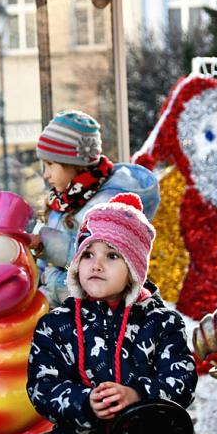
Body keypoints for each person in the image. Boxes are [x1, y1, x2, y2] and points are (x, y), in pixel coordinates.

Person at [27, 193, 197, 434]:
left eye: (112, 255)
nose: (96, 264)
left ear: (134, 268)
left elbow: (182, 381)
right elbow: (42, 387)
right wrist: (86, 402)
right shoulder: (55, 325)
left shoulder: (163, 323)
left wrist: (138, 395)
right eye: (88, 254)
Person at [30, 111, 160, 307]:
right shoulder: (60, 200)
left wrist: (46, 246)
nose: (45, 174)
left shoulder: (108, 204)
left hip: (95, 315)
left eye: (50, 164)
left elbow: (107, 261)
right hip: (55, 311)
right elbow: (39, 267)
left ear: (75, 164)